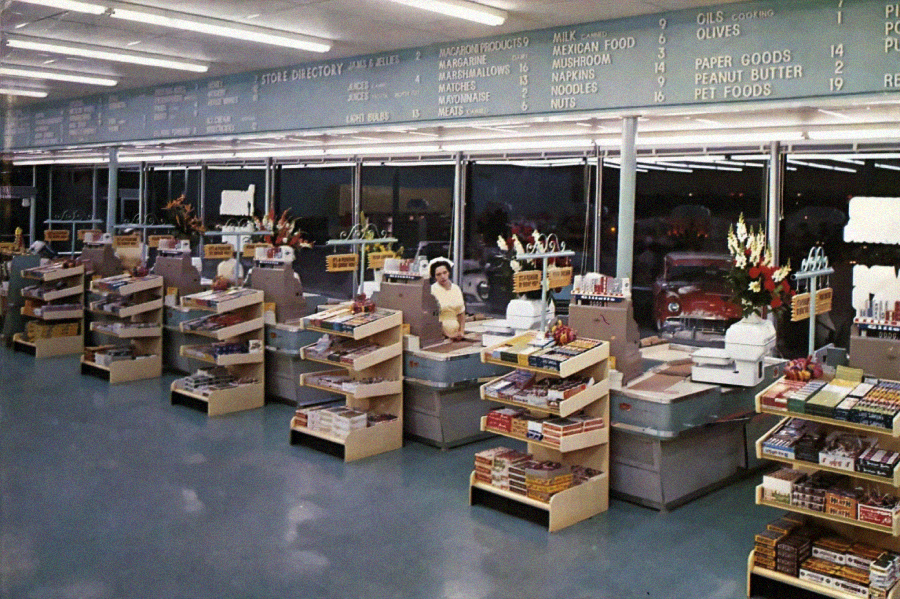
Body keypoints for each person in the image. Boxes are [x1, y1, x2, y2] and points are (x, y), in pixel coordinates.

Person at [429, 258, 465, 340]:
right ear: (434, 277)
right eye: (438, 274)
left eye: (444, 273)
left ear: (449, 273)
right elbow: (431, 318)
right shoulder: (432, 291)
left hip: (457, 335)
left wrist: (461, 331)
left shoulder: (456, 289)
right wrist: (448, 335)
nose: (442, 276)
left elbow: (461, 313)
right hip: (440, 336)